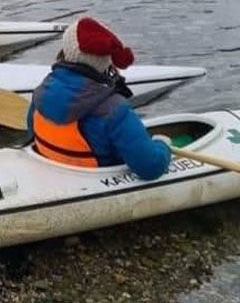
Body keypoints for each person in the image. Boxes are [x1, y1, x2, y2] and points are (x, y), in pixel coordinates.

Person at [28, 17, 171, 181]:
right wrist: (163, 145)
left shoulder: (42, 90)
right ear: (105, 63)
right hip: (91, 179)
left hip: (54, 167)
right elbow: (151, 167)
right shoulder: (115, 109)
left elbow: (32, 131)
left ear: (66, 52)